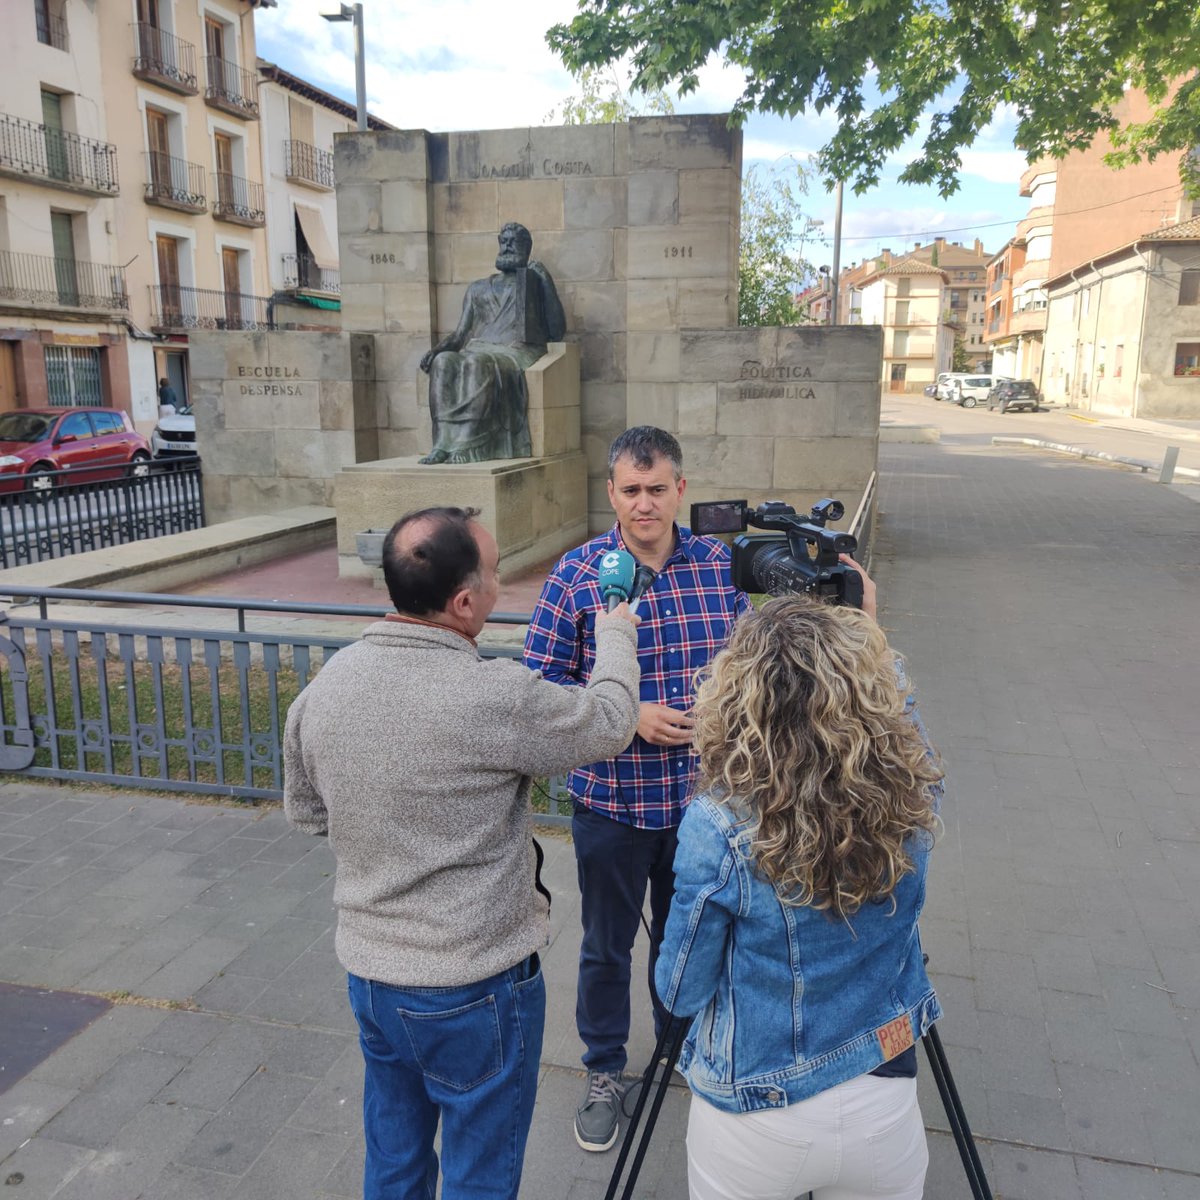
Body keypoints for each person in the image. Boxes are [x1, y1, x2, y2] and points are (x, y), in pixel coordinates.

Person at [283, 506, 642, 1200]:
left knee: (394, 1160)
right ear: (464, 602)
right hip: (475, 987)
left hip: (372, 979)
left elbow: (306, 813)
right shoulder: (494, 697)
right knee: (479, 1174)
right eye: (496, 573)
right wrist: (615, 636)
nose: (501, 586)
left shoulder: (324, 688)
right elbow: (609, 722)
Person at [654, 570, 944, 1200]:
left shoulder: (721, 821)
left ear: (737, 699)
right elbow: (906, 724)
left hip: (754, 1113)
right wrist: (869, 628)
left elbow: (680, 990)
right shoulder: (910, 791)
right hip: (882, 1090)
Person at [523, 426, 751, 1152]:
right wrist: (629, 715)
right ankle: (602, 1071)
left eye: (657, 489)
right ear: (612, 492)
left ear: (680, 489)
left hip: (703, 805)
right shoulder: (579, 574)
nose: (644, 504)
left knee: (686, 941)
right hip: (613, 804)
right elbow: (541, 686)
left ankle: (679, 1052)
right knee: (605, 949)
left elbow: (748, 660)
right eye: (630, 490)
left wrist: (725, 702)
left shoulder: (720, 564)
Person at [418, 222, 566, 464]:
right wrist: (436, 351)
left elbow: (557, 331)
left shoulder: (532, 284)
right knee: (443, 363)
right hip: (480, 346)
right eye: (503, 241)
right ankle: (443, 442)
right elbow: (459, 335)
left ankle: (470, 443)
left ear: (526, 248)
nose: (507, 246)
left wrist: (545, 280)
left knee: (477, 363)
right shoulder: (478, 288)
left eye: (513, 242)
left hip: (517, 350)